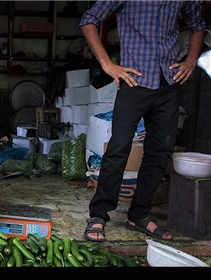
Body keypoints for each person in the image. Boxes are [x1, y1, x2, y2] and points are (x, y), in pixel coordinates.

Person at [79, 1, 205, 242]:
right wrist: (107, 65)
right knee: (118, 148)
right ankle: (98, 215)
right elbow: (89, 20)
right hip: (134, 81)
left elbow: (197, 24)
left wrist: (190, 61)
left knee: (160, 152)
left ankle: (139, 214)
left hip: (169, 81)